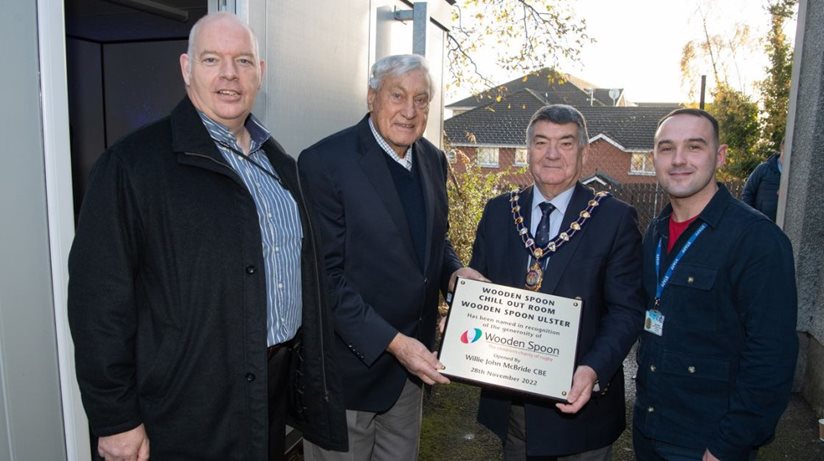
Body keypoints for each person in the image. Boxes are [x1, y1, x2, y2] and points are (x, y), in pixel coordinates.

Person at [68, 12, 346, 461]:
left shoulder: (280, 165)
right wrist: (116, 418)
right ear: (186, 68)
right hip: (184, 408)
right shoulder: (131, 167)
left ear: (261, 73)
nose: (229, 75)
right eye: (212, 59)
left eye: (243, 61)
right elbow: (97, 304)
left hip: (268, 395)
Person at [298, 54, 486, 460]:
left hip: (407, 376)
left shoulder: (433, 160)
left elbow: (434, 243)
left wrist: (454, 274)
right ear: (371, 97)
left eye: (422, 99)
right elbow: (322, 278)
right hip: (346, 374)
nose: (410, 110)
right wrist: (394, 343)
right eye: (397, 95)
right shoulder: (324, 163)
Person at [470, 104, 645, 460]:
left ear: (583, 153)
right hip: (513, 407)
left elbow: (626, 311)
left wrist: (594, 369)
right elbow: (481, 293)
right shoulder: (499, 212)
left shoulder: (614, 219)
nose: (552, 154)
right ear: (528, 151)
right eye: (541, 142)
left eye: (565, 143)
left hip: (578, 410)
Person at [633, 108, 797, 461]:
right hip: (650, 431)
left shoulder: (756, 240)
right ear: (654, 158)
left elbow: (771, 358)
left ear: (719, 156)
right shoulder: (655, 233)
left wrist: (728, 446)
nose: (678, 160)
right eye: (666, 148)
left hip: (708, 444)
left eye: (694, 147)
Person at [741, 142, 784, 221]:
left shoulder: (796, 174)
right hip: (761, 222)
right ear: (782, 147)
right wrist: (751, 217)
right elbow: (747, 192)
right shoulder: (764, 168)